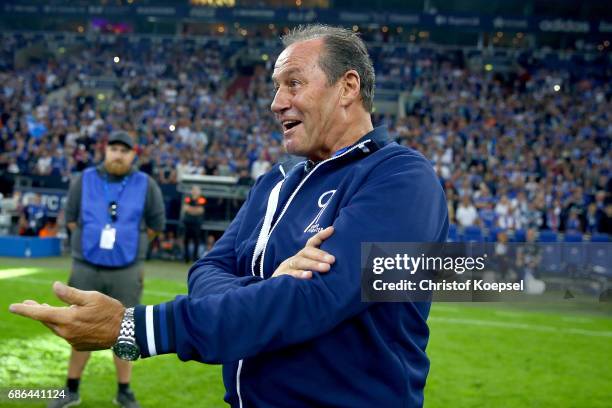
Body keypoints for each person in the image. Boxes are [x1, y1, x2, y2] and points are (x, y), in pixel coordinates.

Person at [10, 25, 448, 407]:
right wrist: (271, 287)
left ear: (348, 87)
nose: (277, 103)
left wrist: (135, 327)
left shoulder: (402, 179)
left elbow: (318, 299)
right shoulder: (274, 182)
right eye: (276, 88)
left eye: (293, 83)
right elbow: (207, 270)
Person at [45, 131, 165, 408]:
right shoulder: (84, 179)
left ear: (133, 155)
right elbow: (72, 219)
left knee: (126, 333)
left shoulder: (145, 184)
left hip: (126, 270)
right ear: (105, 151)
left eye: (124, 150)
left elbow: (156, 225)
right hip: (86, 267)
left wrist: (129, 247)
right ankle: (71, 389)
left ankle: (124, 391)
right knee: (79, 329)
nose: (118, 154)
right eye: (114, 149)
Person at [181, 185, 206, 263]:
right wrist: (195, 210)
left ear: (199, 191)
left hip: (196, 223)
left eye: (196, 190)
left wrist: (190, 209)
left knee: (196, 240)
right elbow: (185, 208)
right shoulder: (187, 198)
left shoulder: (202, 199)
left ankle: (195, 258)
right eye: (193, 190)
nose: (194, 191)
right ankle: (186, 258)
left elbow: (201, 210)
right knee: (186, 240)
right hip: (187, 222)